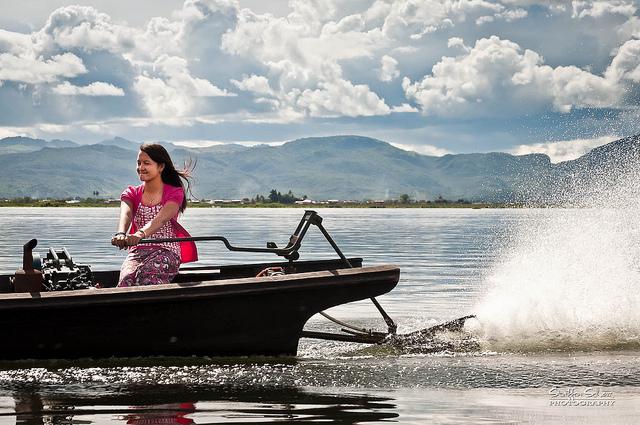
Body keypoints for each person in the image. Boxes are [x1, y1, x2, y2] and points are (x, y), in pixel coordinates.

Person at [111, 143, 197, 287]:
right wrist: (121, 233)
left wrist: (140, 234)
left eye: (146, 163)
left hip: (167, 251)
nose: (141, 167)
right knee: (126, 281)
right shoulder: (131, 193)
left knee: (147, 279)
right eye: (138, 163)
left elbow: (161, 219)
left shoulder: (174, 192)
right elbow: (125, 214)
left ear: (161, 167)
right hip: (138, 251)